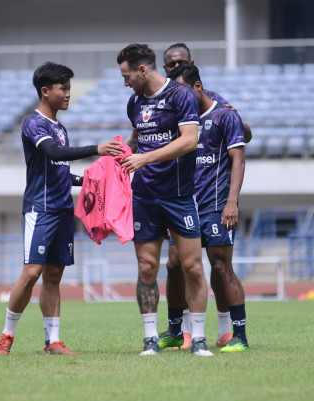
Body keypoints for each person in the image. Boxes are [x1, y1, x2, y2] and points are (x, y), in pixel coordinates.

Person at [0, 62, 124, 356]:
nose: (67, 94)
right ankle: (6, 336)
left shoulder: (60, 127)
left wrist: (89, 179)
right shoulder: (34, 123)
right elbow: (53, 152)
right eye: (63, 88)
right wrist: (95, 149)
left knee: (53, 276)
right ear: (45, 91)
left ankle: (52, 341)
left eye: (69, 89)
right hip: (41, 209)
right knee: (31, 273)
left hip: (64, 209)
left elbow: (60, 169)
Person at [116, 43, 213, 356]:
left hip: (179, 196)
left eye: (127, 74)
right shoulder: (134, 103)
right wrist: (121, 154)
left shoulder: (180, 96)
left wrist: (146, 159)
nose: (125, 81)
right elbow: (137, 140)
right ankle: (149, 339)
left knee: (193, 268)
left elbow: (189, 141)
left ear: (143, 69)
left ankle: (197, 338)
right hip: (144, 196)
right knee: (146, 267)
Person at [160, 43, 251, 349]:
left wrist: (231, 202)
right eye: (169, 64)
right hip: (182, 203)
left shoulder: (221, 110)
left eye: (179, 63)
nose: (173, 68)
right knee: (177, 264)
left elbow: (239, 150)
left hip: (214, 204)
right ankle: (180, 329)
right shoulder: (171, 110)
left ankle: (232, 333)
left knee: (220, 265)